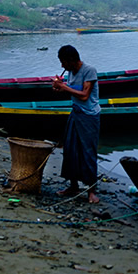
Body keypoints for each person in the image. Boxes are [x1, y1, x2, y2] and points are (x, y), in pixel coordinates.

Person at [52, 45, 101, 203]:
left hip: (89, 116)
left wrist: (64, 87)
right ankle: (73, 185)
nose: (62, 66)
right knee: (70, 150)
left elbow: (85, 95)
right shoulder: (70, 72)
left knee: (88, 152)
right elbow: (71, 90)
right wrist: (59, 87)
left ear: (71, 60)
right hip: (76, 113)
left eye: (63, 62)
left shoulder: (89, 70)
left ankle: (91, 190)